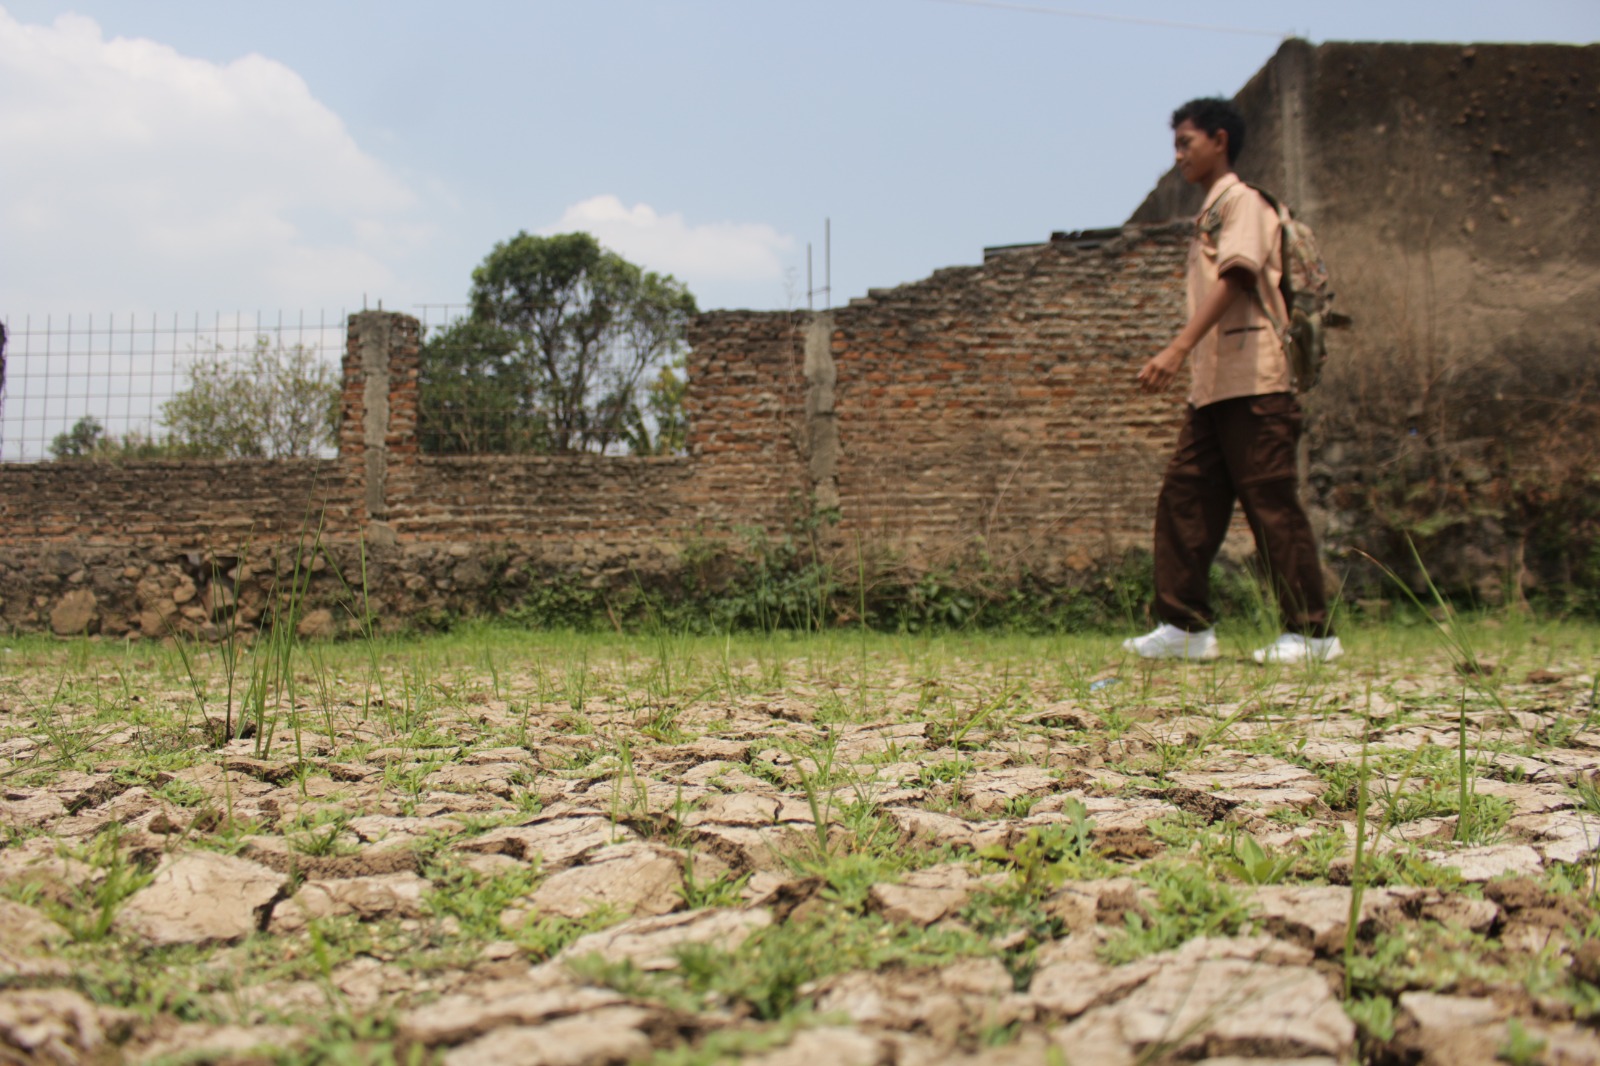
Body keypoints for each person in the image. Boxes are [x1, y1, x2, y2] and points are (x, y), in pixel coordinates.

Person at [1122, 97, 1342, 665]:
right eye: (1174, 146)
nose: (1179, 157)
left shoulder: (1241, 201)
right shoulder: (1210, 212)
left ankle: (1313, 634)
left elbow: (1239, 276)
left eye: (1186, 143)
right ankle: (1185, 626)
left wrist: (1177, 346)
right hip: (1213, 389)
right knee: (1185, 500)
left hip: (1257, 382)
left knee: (1269, 502)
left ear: (1219, 140)